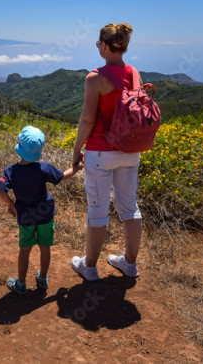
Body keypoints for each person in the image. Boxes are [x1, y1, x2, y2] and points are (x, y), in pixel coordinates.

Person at [70, 22, 143, 281]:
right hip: (130, 151)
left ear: (103, 45)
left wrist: (77, 150)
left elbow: (87, 120)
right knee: (129, 208)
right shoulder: (135, 74)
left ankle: (89, 266)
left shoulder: (95, 78)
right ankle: (130, 264)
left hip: (100, 153)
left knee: (98, 210)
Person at [0, 125, 81, 294]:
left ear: (19, 147)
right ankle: (42, 279)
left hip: (25, 216)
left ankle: (21, 284)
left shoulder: (11, 171)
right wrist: (77, 167)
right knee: (45, 247)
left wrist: (11, 204)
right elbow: (62, 177)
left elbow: (1, 190)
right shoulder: (44, 168)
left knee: (25, 250)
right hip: (45, 213)